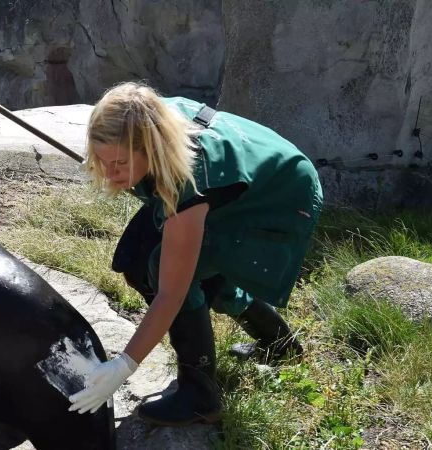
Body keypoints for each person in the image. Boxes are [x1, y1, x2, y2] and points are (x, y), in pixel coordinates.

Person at [67, 82, 323, 426]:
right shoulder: (142, 115)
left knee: (165, 271)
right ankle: (280, 343)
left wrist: (123, 365)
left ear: (152, 148)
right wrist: (118, 165)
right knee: (139, 257)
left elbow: (171, 292)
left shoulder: (186, 181)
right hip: (242, 179)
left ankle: (199, 394)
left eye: (120, 163)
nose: (110, 172)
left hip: (279, 196)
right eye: (101, 160)